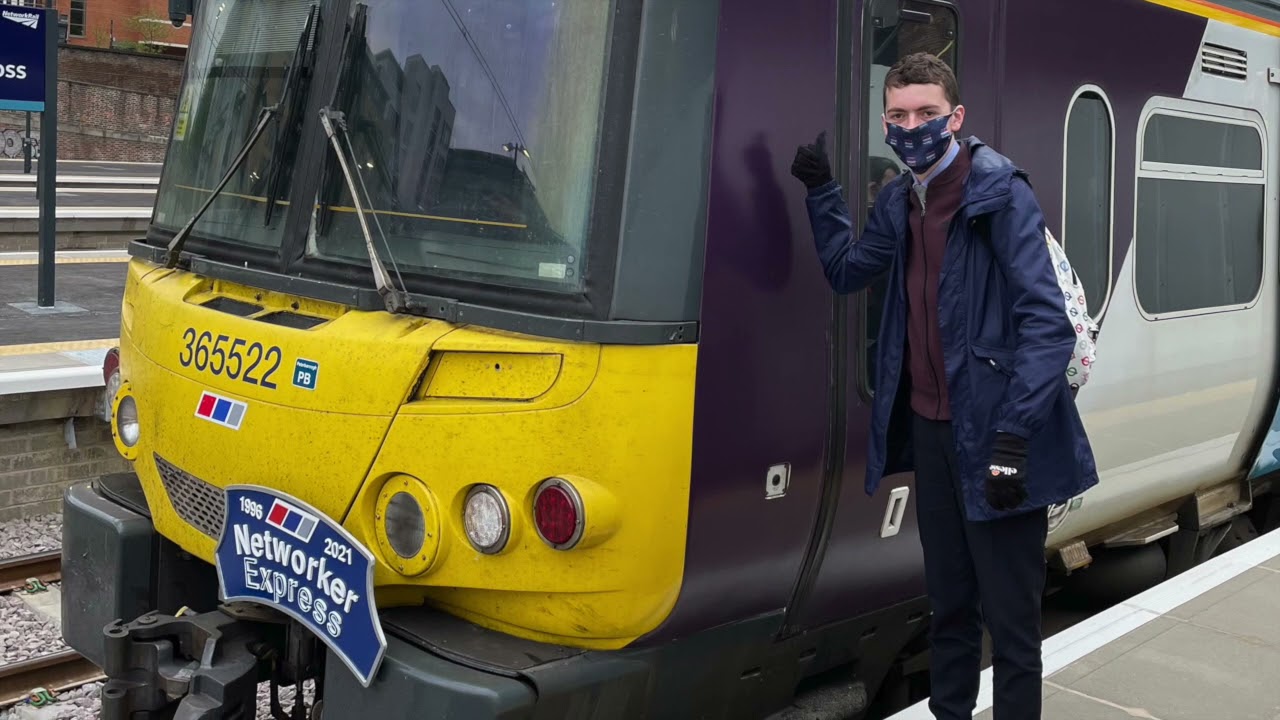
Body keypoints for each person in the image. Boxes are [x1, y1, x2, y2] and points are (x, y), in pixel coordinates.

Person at [789, 53, 1098, 720]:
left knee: (1012, 623)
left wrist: (1013, 437)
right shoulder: (900, 201)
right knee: (949, 606)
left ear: (955, 117)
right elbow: (848, 271)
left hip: (997, 438)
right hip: (933, 435)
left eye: (926, 113)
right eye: (898, 116)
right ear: (885, 123)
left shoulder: (999, 194)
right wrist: (822, 192)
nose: (912, 128)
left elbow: (1047, 325)